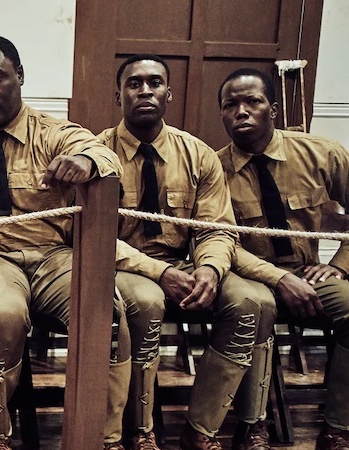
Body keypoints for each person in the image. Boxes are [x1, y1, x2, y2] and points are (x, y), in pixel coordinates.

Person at [0, 36, 129, 450]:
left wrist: (86, 162)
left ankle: (101, 433)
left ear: (20, 76)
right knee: (4, 313)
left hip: (52, 259)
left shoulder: (54, 133)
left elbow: (105, 154)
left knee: (107, 310)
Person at [98, 55, 273, 450]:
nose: (145, 90)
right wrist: (159, 273)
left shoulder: (197, 155)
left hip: (186, 266)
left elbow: (216, 228)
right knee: (145, 300)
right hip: (123, 267)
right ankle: (140, 432)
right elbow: (96, 238)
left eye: (155, 83)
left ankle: (201, 430)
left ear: (169, 93)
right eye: (134, 83)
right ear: (117, 94)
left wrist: (210, 269)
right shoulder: (99, 153)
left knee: (252, 300)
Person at [217, 68, 349, 450]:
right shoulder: (212, 168)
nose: (241, 112)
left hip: (312, 278)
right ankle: (252, 426)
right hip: (248, 278)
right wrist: (277, 278)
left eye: (252, 102)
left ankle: (338, 429)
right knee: (253, 309)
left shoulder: (322, 153)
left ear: (272, 109)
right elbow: (219, 241)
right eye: (231, 105)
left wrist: (339, 265)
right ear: (223, 115)